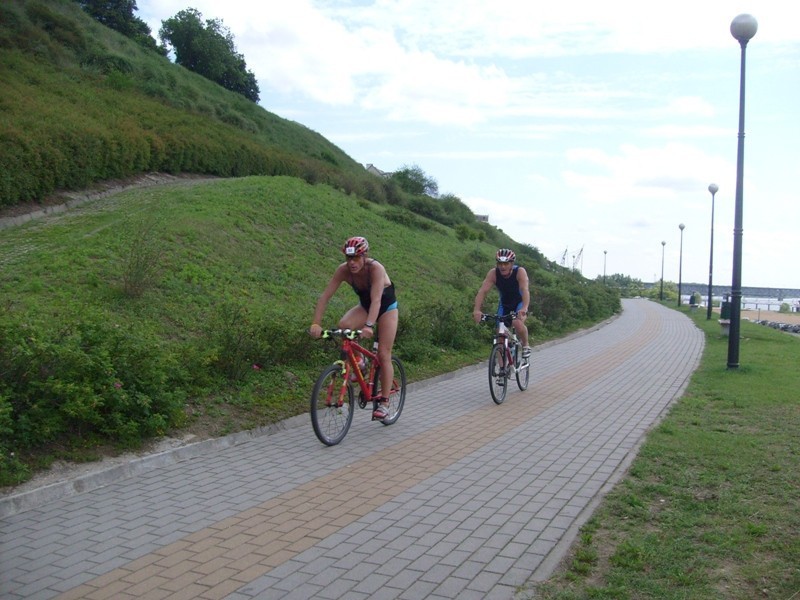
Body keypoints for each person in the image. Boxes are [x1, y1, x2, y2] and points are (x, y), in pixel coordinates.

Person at [309, 236, 398, 420]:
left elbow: (377, 300)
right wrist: (316, 323)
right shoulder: (343, 271)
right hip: (366, 307)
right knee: (344, 326)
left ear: (364, 256)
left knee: (383, 354)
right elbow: (325, 297)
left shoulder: (375, 268)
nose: (352, 263)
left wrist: (369, 326)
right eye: (349, 259)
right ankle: (360, 362)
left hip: (386, 307)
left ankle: (384, 402)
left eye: (356, 258)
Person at [472, 248, 531, 357]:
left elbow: (524, 290)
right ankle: (502, 369)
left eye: (506, 263)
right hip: (505, 305)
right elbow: (482, 291)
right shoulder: (493, 273)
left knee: (517, 323)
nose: (502, 266)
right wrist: (477, 310)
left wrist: (525, 308)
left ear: (511, 264)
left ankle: (526, 345)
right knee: (500, 333)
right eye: (500, 263)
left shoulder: (520, 272)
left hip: (520, 303)